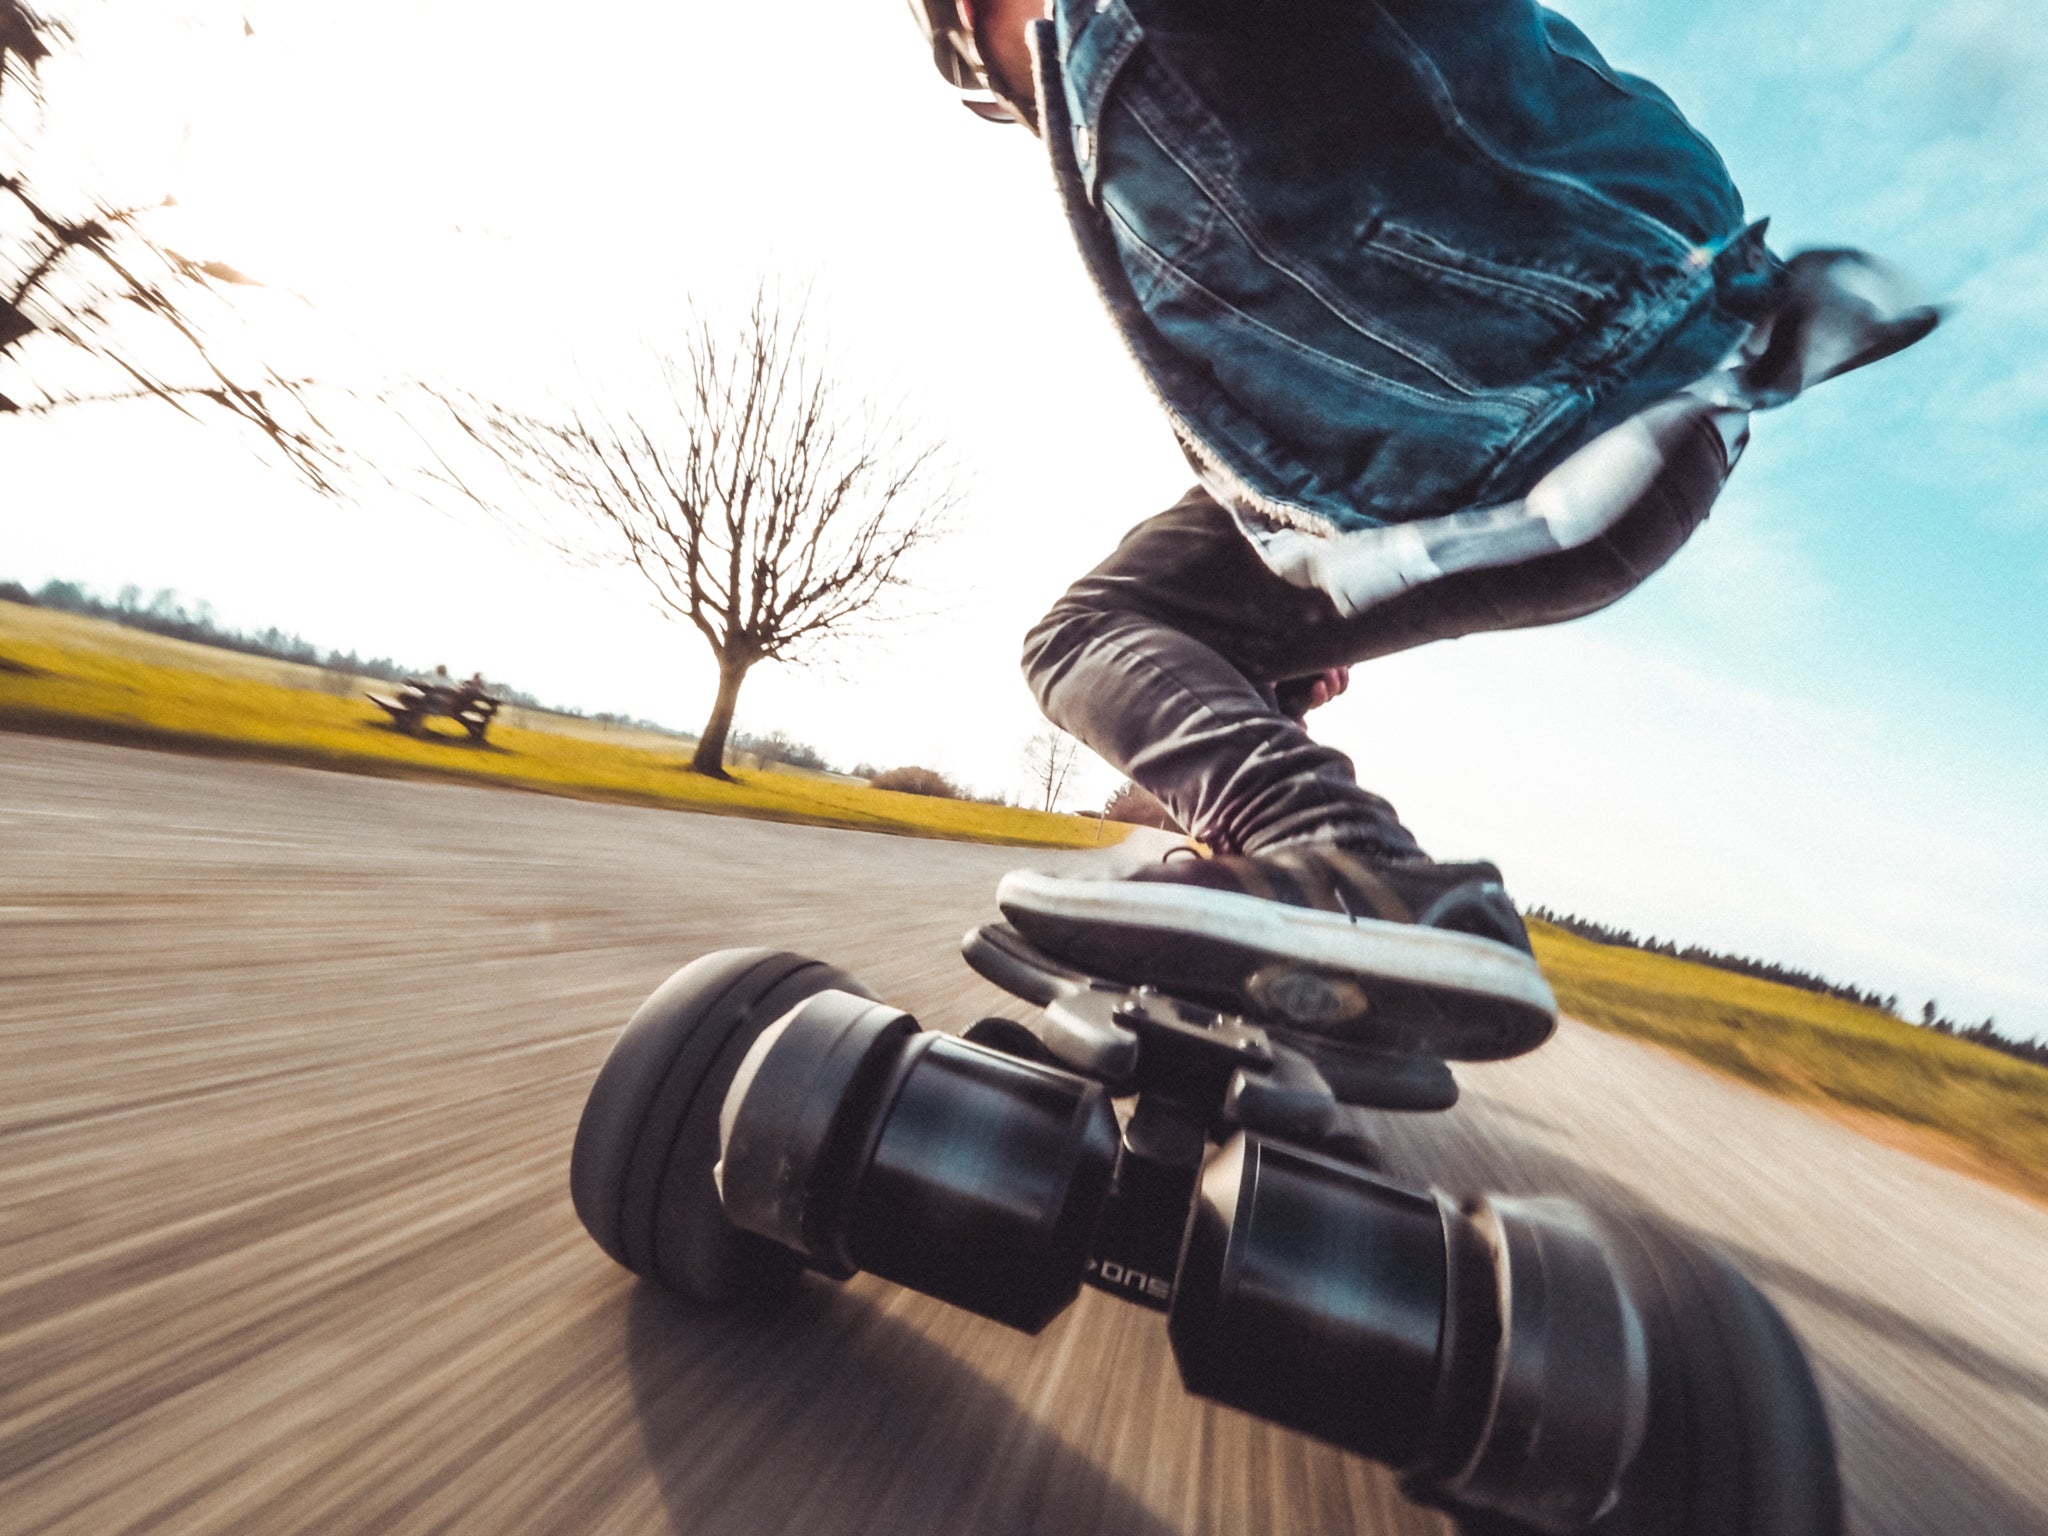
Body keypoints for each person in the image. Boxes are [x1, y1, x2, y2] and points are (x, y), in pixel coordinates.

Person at [908, 0, 1937, 1035]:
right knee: (1147, 620)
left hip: (1535, 422)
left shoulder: (1132, 47)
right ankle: (1291, 887)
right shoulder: (1178, 147)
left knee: (1085, 634)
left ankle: (1336, 860)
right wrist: (1284, 595)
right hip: (1637, 427)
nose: (1038, 107)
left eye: (1007, 85)